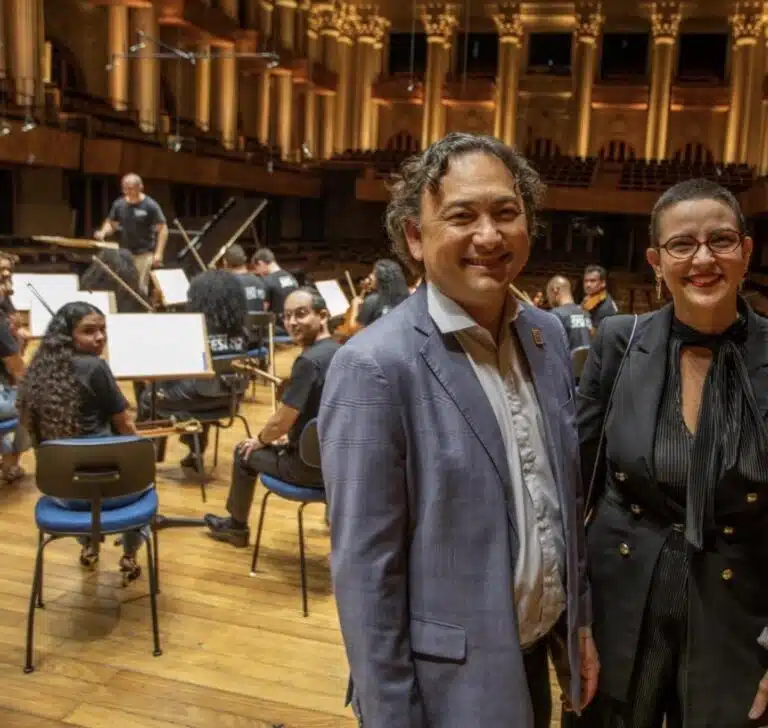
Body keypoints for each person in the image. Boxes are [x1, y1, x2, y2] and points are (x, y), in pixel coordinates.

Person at [319, 133, 598, 728]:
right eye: (461, 216)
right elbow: (366, 571)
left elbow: (561, 505)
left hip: (535, 654)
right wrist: (391, 714)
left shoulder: (546, 338)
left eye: (505, 212)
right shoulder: (373, 366)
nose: (489, 236)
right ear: (415, 238)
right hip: (444, 683)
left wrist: (577, 626)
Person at [575, 179, 768, 728]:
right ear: (657, 261)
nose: (703, 258)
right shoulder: (617, 342)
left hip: (738, 621)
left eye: (721, 241)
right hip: (621, 610)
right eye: (682, 245)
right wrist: (578, 623)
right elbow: (574, 490)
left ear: (746, 252)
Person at [16, 302, 145, 581]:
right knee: (143, 475)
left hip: (62, 496)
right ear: (68, 336)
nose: (100, 337)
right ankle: (130, 553)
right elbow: (125, 426)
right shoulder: (96, 367)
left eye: (102, 330)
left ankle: (88, 545)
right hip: (111, 493)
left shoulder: (37, 372)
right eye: (89, 331)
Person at [205, 288, 340, 547]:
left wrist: (260, 440)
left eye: (300, 314)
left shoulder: (308, 362)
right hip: (339, 466)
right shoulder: (340, 350)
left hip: (307, 469)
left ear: (322, 316)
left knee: (243, 452)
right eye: (287, 316)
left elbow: (282, 420)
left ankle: (236, 527)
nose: (291, 323)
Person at [141, 270, 248, 469]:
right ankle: (195, 449)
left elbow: (169, 366)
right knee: (203, 386)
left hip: (195, 400)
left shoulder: (192, 329)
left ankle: (143, 455)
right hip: (231, 399)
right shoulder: (243, 331)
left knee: (149, 396)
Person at [93, 173, 169, 294]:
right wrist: (103, 232)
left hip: (144, 254)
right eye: (124, 188)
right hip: (124, 254)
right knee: (123, 286)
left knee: (139, 288)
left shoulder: (150, 205)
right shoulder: (119, 204)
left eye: (130, 188)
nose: (127, 191)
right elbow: (111, 223)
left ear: (140, 187)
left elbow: (163, 229)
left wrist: (158, 253)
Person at [222, 243, 267, 349]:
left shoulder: (227, 284)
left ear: (225, 263)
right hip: (259, 340)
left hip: (237, 342)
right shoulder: (260, 282)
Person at [350, 258, 410, 329]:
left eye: (374, 273)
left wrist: (354, 306)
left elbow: (354, 329)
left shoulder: (373, 301)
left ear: (381, 278)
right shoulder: (406, 298)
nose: (370, 276)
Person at [250, 248, 298, 333]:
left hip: (279, 329)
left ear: (260, 263)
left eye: (256, 268)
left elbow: (263, 312)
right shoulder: (291, 277)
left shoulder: (266, 281)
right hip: (295, 325)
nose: (258, 273)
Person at [547, 275, 593, 352]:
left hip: (568, 363)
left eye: (548, 294)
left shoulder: (555, 315)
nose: (549, 299)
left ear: (555, 290)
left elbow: (550, 349)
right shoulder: (585, 313)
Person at [582, 265, 618, 331]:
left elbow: (596, 335)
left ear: (603, 283)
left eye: (592, 281)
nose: (588, 285)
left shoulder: (605, 306)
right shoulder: (588, 298)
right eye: (585, 281)